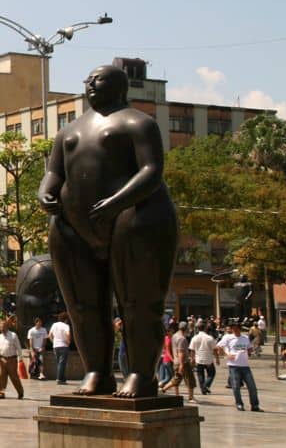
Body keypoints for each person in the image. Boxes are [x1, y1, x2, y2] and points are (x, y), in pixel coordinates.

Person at [38, 64, 179, 398]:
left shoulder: (138, 122)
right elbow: (54, 173)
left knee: (138, 303)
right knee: (83, 306)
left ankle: (142, 375)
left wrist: (117, 202)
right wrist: (45, 192)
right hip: (74, 227)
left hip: (136, 218)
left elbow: (151, 170)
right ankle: (97, 371)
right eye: (87, 79)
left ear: (118, 85)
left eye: (97, 79)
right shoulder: (69, 131)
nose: (89, 84)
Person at [217, 319, 262, 412]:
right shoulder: (228, 337)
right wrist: (227, 355)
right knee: (236, 386)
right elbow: (219, 347)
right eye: (233, 328)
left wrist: (248, 352)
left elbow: (249, 348)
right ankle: (239, 403)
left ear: (239, 329)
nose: (234, 330)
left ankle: (255, 405)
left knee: (252, 387)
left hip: (245, 365)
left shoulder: (245, 338)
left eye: (236, 328)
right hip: (234, 366)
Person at [162, 321, 196, 403]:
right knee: (190, 380)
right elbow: (181, 351)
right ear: (185, 328)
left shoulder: (174, 336)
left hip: (176, 361)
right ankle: (191, 398)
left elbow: (169, 348)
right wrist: (181, 364)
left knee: (177, 378)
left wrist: (174, 359)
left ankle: (165, 389)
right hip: (183, 362)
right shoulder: (182, 338)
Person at [0, 320, 24, 399]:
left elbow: (18, 348)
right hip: (2, 359)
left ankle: (20, 392)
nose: (2, 329)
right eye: (0, 327)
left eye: (3, 327)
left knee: (14, 377)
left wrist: (20, 359)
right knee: (1, 376)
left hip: (12, 359)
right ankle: (1, 393)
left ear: (7, 327)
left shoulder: (13, 335)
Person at [189, 321, 218, 395]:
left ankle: (203, 389)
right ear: (205, 328)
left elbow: (192, 350)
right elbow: (215, 349)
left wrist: (192, 359)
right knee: (211, 373)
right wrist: (217, 358)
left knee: (200, 375)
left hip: (199, 359)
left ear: (198, 329)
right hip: (208, 359)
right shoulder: (209, 338)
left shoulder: (194, 338)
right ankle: (205, 386)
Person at [49, 312, 71, 385]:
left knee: (59, 363)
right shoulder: (66, 326)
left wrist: (53, 342)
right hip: (63, 346)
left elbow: (50, 335)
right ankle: (59, 379)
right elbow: (68, 334)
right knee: (62, 363)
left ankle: (63, 378)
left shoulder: (54, 324)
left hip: (55, 346)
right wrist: (68, 342)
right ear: (65, 319)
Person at [158, 323, 175, 389]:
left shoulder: (166, 338)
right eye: (171, 331)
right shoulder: (168, 340)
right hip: (167, 360)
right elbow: (167, 351)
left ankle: (161, 385)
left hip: (165, 359)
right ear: (169, 332)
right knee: (171, 377)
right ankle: (160, 385)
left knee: (167, 376)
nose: (173, 332)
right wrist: (173, 360)